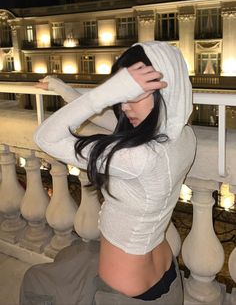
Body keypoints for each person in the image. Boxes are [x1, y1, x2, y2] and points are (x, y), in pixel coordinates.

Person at [23, 41, 196, 305]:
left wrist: (104, 94)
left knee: (37, 284)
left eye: (133, 94)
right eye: (121, 95)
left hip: (124, 289)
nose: (124, 106)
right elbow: (114, 123)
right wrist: (64, 90)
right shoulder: (182, 135)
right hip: (165, 271)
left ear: (165, 88)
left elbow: (45, 137)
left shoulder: (137, 157)